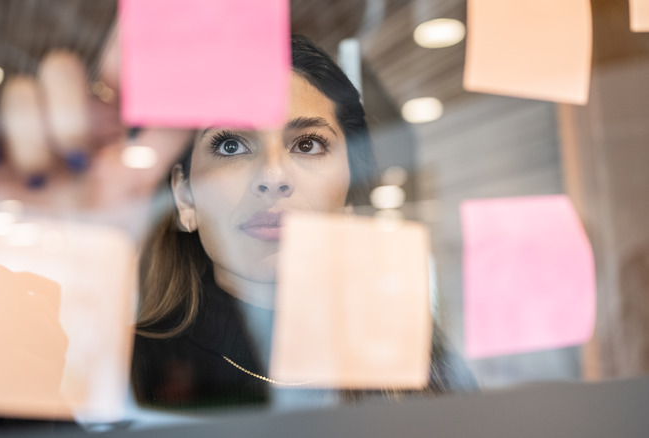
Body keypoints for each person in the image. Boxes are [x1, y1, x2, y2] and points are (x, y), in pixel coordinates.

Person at [130, 34, 475, 410]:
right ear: (184, 197)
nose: (273, 175)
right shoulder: (121, 372)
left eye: (307, 145)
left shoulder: (419, 361)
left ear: (351, 182)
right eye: (231, 145)